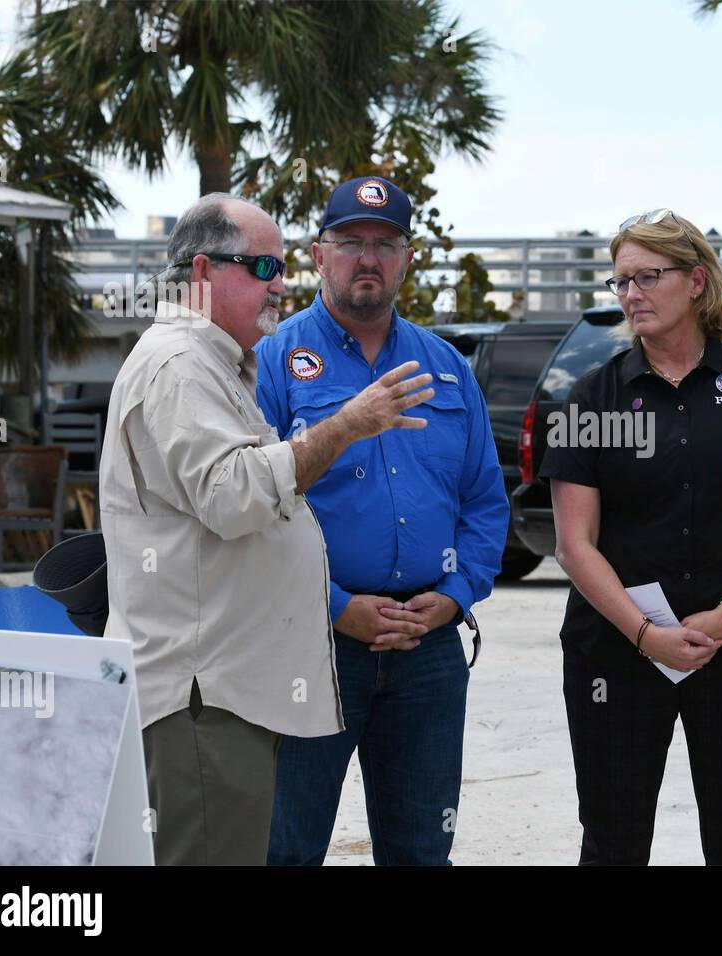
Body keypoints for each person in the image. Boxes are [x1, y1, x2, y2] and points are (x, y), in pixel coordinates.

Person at [101, 193, 434, 865]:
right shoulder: (180, 365)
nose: (278, 284)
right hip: (202, 696)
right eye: (259, 266)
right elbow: (233, 497)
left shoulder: (212, 362)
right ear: (201, 272)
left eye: (281, 267)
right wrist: (345, 425)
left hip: (222, 692)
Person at [540, 209, 722, 865]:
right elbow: (573, 544)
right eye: (620, 282)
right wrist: (647, 634)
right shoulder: (592, 398)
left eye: (647, 277)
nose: (631, 294)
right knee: (612, 843)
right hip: (614, 657)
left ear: (696, 281)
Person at [256, 176, 507, 866]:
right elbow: (251, 512)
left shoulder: (447, 367)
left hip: (427, 650)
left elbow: (485, 503)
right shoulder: (273, 362)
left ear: (406, 259)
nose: (368, 258)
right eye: (351, 243)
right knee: (287, 849)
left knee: (423, 852)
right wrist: (335, 607)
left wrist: (454, 597)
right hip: (311, 645)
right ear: (318, 253)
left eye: (385, 244)